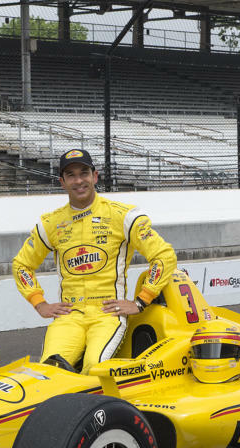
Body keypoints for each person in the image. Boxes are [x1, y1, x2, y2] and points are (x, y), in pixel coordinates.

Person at [12, 149, 177, 373]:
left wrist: (140, 302)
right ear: (62, 182)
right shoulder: (50, 223)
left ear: (95, 176)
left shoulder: (123, 216)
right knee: (49, 371)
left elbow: (164, 256)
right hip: (69, 316)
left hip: (107, 315)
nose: (79, 180)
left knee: (94, 368)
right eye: (71, 175)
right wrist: (39, 303)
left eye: (84, 173)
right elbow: (22, 265)